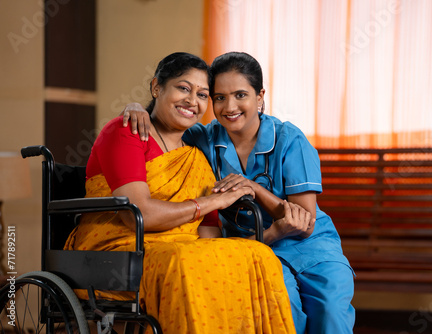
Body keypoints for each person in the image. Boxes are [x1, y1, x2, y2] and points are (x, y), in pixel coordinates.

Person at [123, 51, 355, 334]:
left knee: (330, 312)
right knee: (283, 309)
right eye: (219, 97)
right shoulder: (203, 137)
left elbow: (303, 222)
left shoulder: (289, 139)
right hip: (250, 247)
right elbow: (165, 120)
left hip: (310, 247)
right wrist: (136, 106)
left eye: (241, 95)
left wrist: (255, 189)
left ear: (260, 97)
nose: (229, 106)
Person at [64, 52, 297, 334]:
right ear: (156, 87)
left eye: (202, 95)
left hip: (179, 249)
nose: (192, 101)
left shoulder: (196, 157)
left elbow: (207, 237)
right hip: (119, 250)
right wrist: (210, 201)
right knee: (186, 260)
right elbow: (139, 215)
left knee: (257, 255)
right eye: (183, 88)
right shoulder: (127, 132)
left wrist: (264, 237)